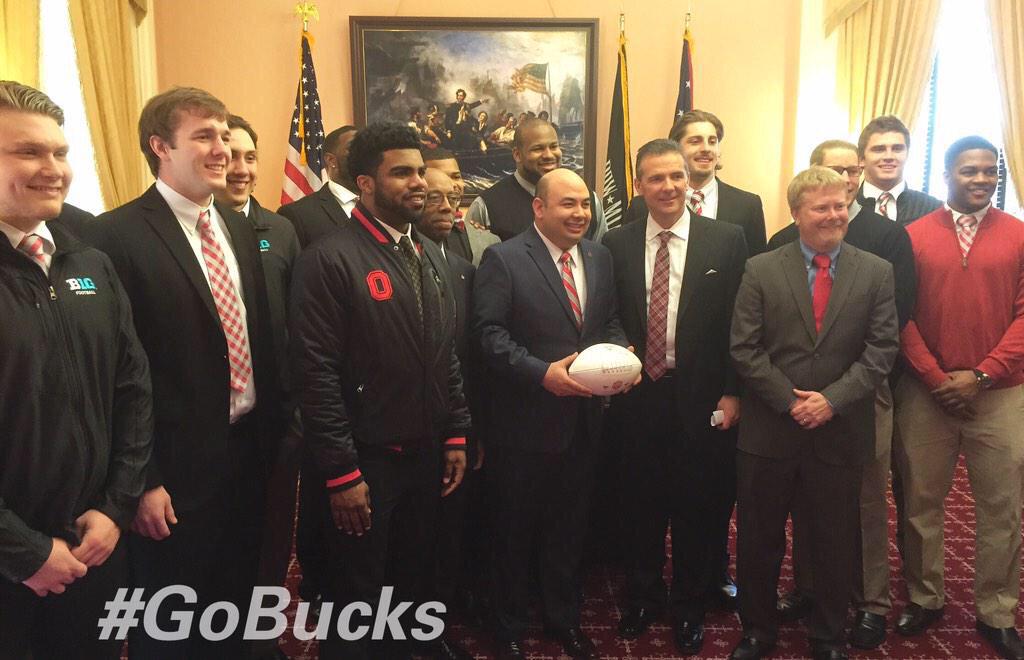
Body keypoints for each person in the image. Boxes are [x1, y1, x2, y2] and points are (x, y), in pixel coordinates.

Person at [85, 86, 282, 658]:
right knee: (171, 619)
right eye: (204, 137)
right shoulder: (112, 236)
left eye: (224, 135)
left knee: (238, 600)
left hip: (248, 452)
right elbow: (116, 373)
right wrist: (143, 480)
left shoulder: (238, 227)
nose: (223, 150)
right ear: (160, 147)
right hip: (171, 473)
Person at [289, 122, 472, 660]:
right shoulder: (328, 259)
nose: (419, 183)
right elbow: (315, 375)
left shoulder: (427, 252)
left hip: (424, 456)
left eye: (421, 171)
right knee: (356, 598)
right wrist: (342, 473)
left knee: (408, 583)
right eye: (402, 173)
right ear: (366, 183)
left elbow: (445, 353)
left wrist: (456, 431)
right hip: (364, 464)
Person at [0, 80, 152, 660]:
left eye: (60, 152)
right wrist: (24, 552)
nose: (53, 169)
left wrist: (115, 509)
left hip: (93, 546)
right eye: (28, 152)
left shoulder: (90, 261)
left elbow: (132, 391)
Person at [728, 166, 898, 660]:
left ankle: (827, 636)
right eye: (821, 207)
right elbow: (744, 348)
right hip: (769, 431)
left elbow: (881, 350)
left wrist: (832, 400)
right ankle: (758, 631)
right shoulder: (761, 268)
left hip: (840, 430)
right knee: (759, 539)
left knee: (833, 542)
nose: (833, 215)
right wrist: (790, 400)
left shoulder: (876, 271)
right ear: (796, 213)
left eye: (840, 205)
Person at [473, 168, 629, 660]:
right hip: (523, 427)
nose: (580, 213)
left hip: (583, 425)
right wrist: (542, 374)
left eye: (584, 204)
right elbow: (488, 336)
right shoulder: (504, 258)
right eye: (568, 204)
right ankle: (509, 626)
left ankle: (564, 620)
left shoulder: (599, 257)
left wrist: (622, 354)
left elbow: (607, 322)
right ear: (539, 208)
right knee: (513, 531)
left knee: (569, 529)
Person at [768, 139, 917, 650]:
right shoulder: (783, 239)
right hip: (797, 398)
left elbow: (894, 320)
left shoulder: (887, 236)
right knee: (808, 497)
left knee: (865, 500)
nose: (846, 180)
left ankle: (871, 601)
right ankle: (809, 587)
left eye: (852, 171)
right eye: (834, 171)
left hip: (860, 393)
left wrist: (837, 393)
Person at [603, 139, 747, 654]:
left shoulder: (725, 240)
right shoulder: (615, 243)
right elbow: (609, 312)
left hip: (702, 398)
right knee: (639, 504)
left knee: (697, 508)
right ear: (639, 185)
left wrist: (734, 392)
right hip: (637, 396)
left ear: (689, 181)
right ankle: (642, 598)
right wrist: (619, 348)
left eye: (676, 176)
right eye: (656, 178)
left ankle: (689, 606)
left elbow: (740, 323)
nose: (668, 187)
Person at [894, 136, 1024, 660]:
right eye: (969, 170)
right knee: (920, 502)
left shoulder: (1019, 234)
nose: (981, 179)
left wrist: (984, 374)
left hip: (1001, 394)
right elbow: (899, 314)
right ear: (947, 173)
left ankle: (997, 611)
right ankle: (925, 597)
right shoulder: (913, 236)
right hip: (928, 394)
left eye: (990, 171)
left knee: (1002, 508)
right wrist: (934, 377)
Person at [214, 113, 302, 659]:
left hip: (277, 420)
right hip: (208, 426)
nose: (241, 169)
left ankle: (260, 636)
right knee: (214, 547)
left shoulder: (281, 230)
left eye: (250, 157)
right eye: (231, 157)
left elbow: (299, 323)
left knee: (270, 538)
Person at [625, 109, 767, 255]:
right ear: (675, 148)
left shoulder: (747, 206)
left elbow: (757, 265)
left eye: (712, 142)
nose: (706, 148)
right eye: (695, 142)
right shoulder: (641, 206)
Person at [464, 118, 607, 242]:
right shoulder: (486, 206)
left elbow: (600, 257)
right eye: (538, 149)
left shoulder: (589, 202)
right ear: (517, 154)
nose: (549, 155)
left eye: (554, 146)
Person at [278, 125, 358, 247]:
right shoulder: (298, 215)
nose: (363, 154)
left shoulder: (381, 205)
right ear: (331, 160)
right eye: (354, 148)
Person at [856, 115, 942, 225]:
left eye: (897, 149)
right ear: (861, 159)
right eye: (879, 149)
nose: (889, 156)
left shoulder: (933, 209)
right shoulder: (845, 207)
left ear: (907, 154)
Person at [422, 147, 500, 265]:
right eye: (440, 176)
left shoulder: (485, 239)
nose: (451, 184)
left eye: (456, 177)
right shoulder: (409, 237)